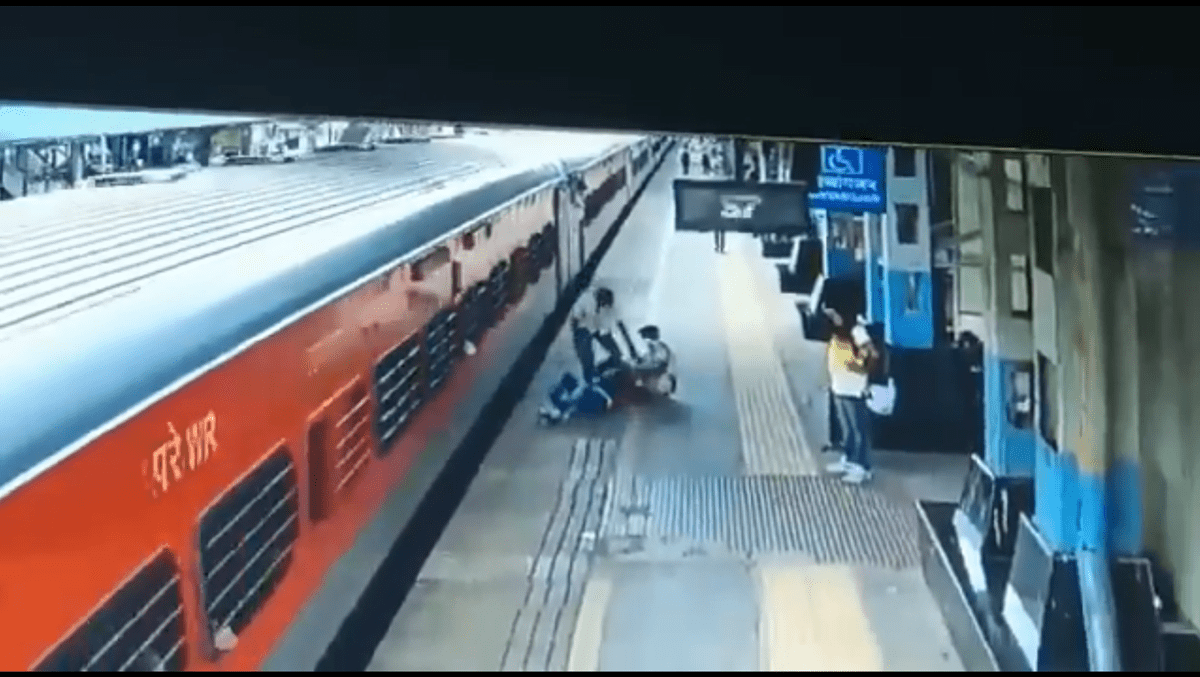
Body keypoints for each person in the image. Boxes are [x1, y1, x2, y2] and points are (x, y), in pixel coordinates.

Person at [823, 306, 877, 484]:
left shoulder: (857, 331)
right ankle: (849, 459)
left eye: (835, 315)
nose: (834, 320)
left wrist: (860, 367)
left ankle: (862, 467)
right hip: (840, 387)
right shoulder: (838, 335)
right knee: (847, 428)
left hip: (854, 389)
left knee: (858, 428)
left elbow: (872, 353)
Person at [571, 286, 624, 385]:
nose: (604, 305)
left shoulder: (607, 306)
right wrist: (576, 340)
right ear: (599, 298)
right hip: (583, 329)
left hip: (599, 329)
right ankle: (590, 379)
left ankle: (602, 370)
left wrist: (628, 347)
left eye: (606, 304)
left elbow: (616, 324)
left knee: (616, 353)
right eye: (604, 303)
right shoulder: (585, 300)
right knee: (587, 357)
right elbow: (575, 320)